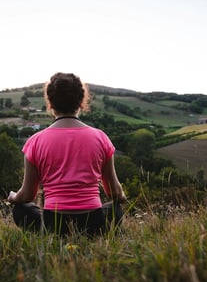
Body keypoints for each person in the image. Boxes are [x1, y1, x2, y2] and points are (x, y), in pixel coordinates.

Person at [8, 72, 127, 236]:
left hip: (53, 225)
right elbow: (114, 192)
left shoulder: (35, 142)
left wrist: (14, 198)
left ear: (50, 103)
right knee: (116, 209)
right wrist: (121, 196)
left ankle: (48, 235)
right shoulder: (101, 138)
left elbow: (28, 195)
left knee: (21, 209)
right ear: (81, 101)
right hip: (94, 224)